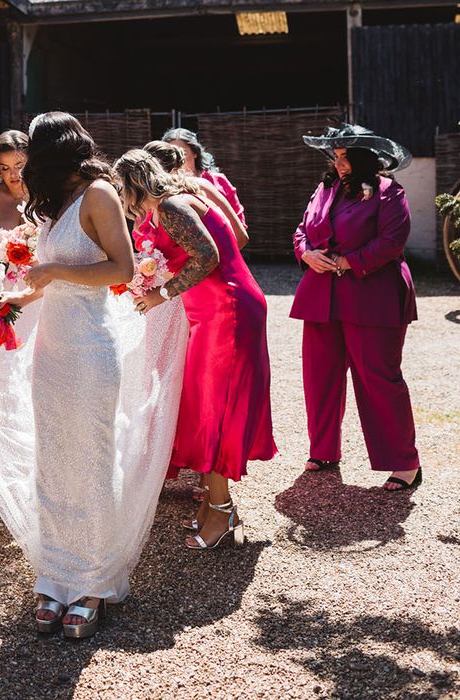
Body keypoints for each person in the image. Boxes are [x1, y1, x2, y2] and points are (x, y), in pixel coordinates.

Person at [0, 113, 189, 638]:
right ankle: (57, 575)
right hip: (52, 351)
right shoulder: (56, 203)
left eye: (33, 151)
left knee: (90, 459)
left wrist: (52, 273)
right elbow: (48, 274)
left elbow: (120, 271)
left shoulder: (100, 194)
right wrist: (18, 295)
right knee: (54, 461)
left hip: (90, 350)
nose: (27, 163)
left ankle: (93, 582)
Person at [113, 149, 277, 550]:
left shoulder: (171, 206)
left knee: (213, 409)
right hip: (211, 313)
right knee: (203, 405)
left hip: (227, 310)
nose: (119, 197)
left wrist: (161, 294)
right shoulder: (173, 202)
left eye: (120, 188)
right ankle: (216, 507)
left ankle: (220, 512)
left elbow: (208, 255)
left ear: (134, 183)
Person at [290, 123, 421, 491]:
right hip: (321, 294)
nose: (338, 162)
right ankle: (324, 450)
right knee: (320, 375)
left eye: (345, 157)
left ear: (365, 158)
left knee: (378, 378)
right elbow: (302, 229)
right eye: (335, 156)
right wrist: (307, 253)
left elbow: (392, 241)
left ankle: (404, 462)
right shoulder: (325, 188)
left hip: (372, 295)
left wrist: (349, 262)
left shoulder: (389, 192)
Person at [161, 127, 246, 227]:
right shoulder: (164, 186)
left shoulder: (218, 181)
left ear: (195, 153)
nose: (178, 159)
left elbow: (238, 220)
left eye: (182, 153)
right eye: (172, 154)